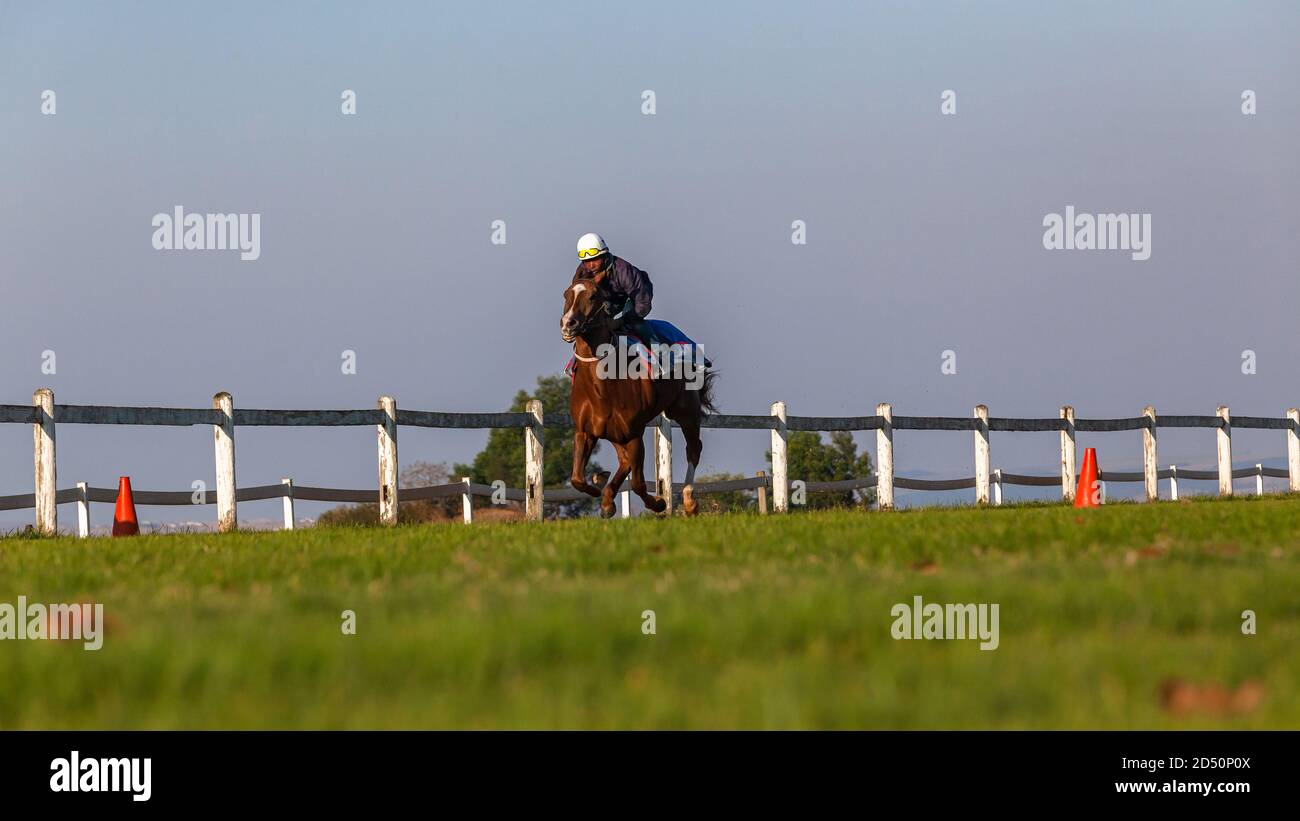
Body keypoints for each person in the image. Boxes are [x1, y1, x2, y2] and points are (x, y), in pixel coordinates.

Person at [573, 232, 662, 347]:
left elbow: (642, 306)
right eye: (586, 261)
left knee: (637, 325)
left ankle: (662, 356)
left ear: (604, 255)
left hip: (633, 298)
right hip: (608, 301)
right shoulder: (582, 272)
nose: (591, 265)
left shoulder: (624, 270)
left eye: (595, 259)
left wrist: (621, 321)